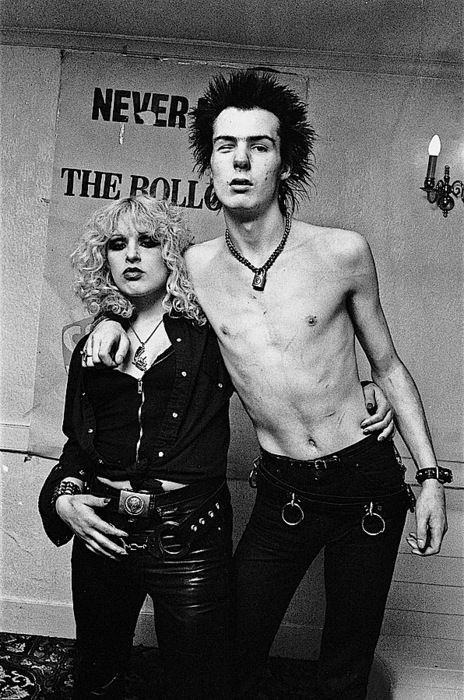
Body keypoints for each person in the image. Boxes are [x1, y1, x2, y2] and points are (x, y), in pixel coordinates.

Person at [82, 70, 449, 699]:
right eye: (226, 146)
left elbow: (387, 365)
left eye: (260, 145)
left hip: (366, 480)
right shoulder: (193, 268)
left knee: (344, 668)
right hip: (283, 491)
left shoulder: (342, 253)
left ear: (285, 162)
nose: (241, 160)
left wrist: (430, 477)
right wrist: (108, 320)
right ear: (209, 163)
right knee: (228, 655)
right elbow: (134, 295)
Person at [38, 196, 235, 699]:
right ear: (102, 258)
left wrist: (364, 389)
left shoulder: (212, 334)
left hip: (189, 534)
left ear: (171, 253)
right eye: (116, 244)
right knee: (97, 677)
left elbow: (285, 376)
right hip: (105, 531)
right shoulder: (91, 343)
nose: (131, 255)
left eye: (147, 242)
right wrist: (63, 498)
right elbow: (78, 445)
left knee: (197, 684)